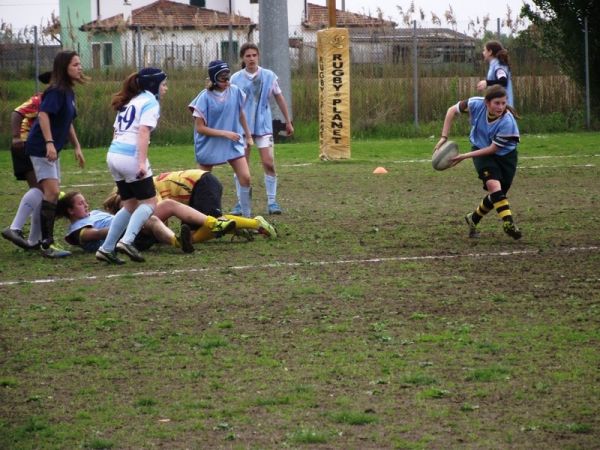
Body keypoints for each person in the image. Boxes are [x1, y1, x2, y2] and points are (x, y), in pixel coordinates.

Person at [95, 67, 185, 264]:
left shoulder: (130, 101)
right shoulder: (149, 101)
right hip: (130, 156)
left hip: (114, 154)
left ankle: (106, 248)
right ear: (154, 85)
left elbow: (116, 132)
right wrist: (141, 162)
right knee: (150, 204)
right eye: (164, 84)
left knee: (129, 206)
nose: (166, 88)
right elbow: (143, 132)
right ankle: (127, 241)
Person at [434, 85, 522, 240]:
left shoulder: (507, 122)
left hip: (505, 156)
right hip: (481, 150)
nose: (501, 107)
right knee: (494, 186)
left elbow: (493, 149)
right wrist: (444, 137)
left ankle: (473, 218)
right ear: (487, 103)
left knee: (498, 194)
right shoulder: (475, 103)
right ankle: (509, 224)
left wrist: (464, 156)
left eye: (503, 103)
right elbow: (451, 111)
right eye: (497, 103)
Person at [102, 169, 277, 246]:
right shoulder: (140, 189)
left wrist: (148, 230)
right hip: (198, 186)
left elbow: (160, 214)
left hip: (201, 184)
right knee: (205, 227)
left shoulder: (147, 190)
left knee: (208, 227)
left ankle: (255, 223)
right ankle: (239, 228)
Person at [56, 191, 233, 264]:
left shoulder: (93, 213)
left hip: (133, 228)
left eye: (85, 201)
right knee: (153, 220)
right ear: (70, 211)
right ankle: (178, 242)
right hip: (129, 238)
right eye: (80, 204)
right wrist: (131, 224)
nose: (86, 205)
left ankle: (215, 223)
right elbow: (95, 235)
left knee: (169, 204)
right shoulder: (76, 231)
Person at [25, 51, 86, 258]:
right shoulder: (57, 91)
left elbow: (67, 122)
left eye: (80, 64)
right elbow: (43, 115)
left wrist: (77, 147)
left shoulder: (69, 91)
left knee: (48, 194)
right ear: (64, 67)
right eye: (75, 64)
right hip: (41, 147)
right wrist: (50, 143)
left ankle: (36, 240)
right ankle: (46, 243)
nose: (80, 67)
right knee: (51, 193)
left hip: (52, 148)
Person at [230, 42, 294, 215]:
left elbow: (279, 98)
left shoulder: (268, 76)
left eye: (254, 55)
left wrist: (288, 121)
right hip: (242, 128)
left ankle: (272, 202)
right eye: (248, 56)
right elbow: (230, 104)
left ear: (258, 56)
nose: (251, 58)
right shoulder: (235, 79)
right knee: (242, 167)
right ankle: (240, 203)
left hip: (263, 126)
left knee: (268, 163)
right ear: (243, 58)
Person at [189, 60, 254, 218]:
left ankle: (247, 218)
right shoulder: (204, 98)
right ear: (213, 78)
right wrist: (225, 133)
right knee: (200, 184)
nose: (227, 81)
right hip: (209, 145)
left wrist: (248, 135)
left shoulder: (236, 91)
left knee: (245, 177)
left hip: (232, 143)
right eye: (222, 78)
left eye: (228, 77)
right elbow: (200, 128)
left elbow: (240, 113)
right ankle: (197, 219)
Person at [2, 71, 52, 250]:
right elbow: (17, 112)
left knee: (43, 192)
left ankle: (33, 240)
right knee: (41, 190)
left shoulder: (57, 99)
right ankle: (15, 229)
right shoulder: (40, 99)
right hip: (25, 145)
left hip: (36, 148)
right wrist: (16, 136)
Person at [476, 40, 514, 107]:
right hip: (500, 107)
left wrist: (487, 83)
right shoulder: (495, 64)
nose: (483, 53)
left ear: (490, 52)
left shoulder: (498, 66)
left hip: (503, 108)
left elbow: (503, 81)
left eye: (484, 50)